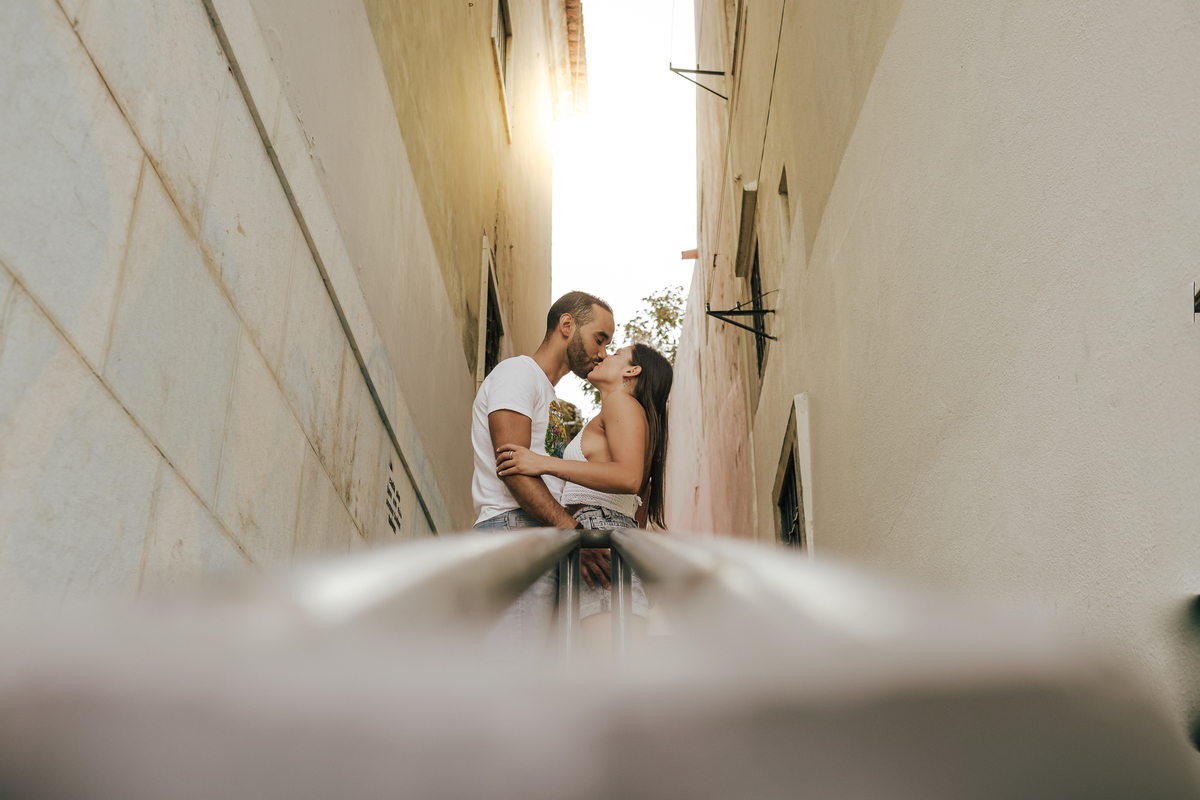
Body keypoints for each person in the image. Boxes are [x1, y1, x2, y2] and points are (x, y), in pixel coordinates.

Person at [495, 342, 673, 655]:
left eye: (617, 354)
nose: (606, 354)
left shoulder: (622, 402)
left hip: (600, 541)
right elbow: (637, 511)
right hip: (603, 539)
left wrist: (543, 462)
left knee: (605, 670)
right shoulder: (626, 415)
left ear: (632, 371)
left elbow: (629, 479)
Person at [472, 291, 615, 656]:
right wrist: (575, 534)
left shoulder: (548, 396)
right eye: (600, 338)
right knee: (515, 674)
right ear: (567, 324)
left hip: (539, 536)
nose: (602, 353)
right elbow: (512, 467)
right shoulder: (517, 373)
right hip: (514, 533)